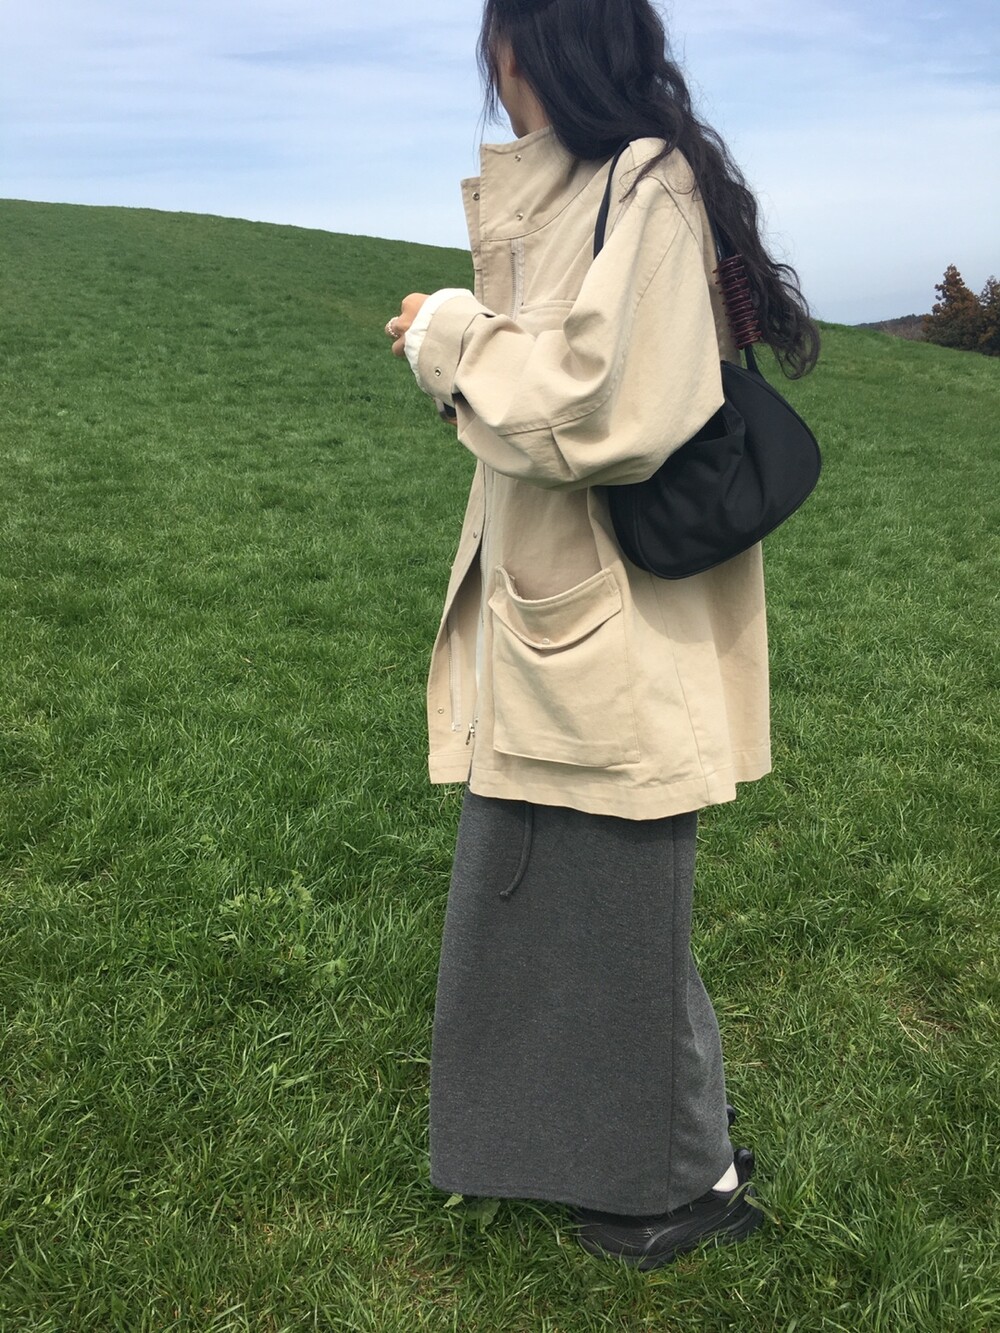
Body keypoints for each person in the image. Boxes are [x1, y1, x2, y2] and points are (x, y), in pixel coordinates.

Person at [384, 0, 818, 1270]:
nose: (493, 68)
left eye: (500, 42)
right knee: (589, 911)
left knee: (619, 913)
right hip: (567, 606)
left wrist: (448, 334)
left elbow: (595, 407)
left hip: (612, 618)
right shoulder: (605, 183)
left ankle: (685, 1179)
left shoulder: (648, 184)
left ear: (535, 48)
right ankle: (661, 1151)